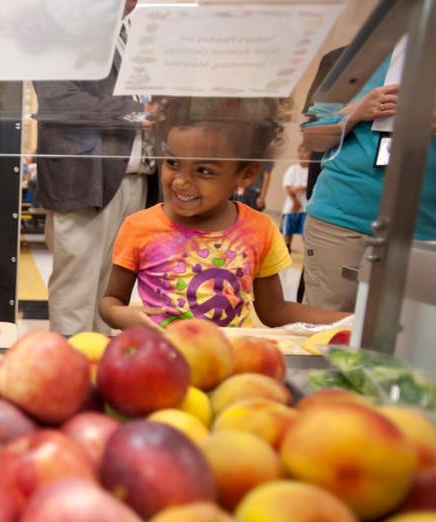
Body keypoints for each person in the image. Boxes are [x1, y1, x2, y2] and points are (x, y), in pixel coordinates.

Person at [99, 97, 351, 331]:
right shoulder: (139, 227)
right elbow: (111, 301)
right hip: (164, 360)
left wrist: (351, 321)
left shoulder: (259, 229)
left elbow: (275, 310)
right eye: (173, 163)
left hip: (232, 361)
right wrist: (121, 315)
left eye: (204, 171)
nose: (180, 183)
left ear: (247, 175)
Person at [31, 0, 154, 335]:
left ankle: (103, 375)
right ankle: (71, 377)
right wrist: (133, 111)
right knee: (76, 293)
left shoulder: (133, 34)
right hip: (85, 180)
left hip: (137, 179)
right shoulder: (61, 28)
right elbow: (58, 100)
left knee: (112, 295)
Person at [301, 48, 436, 312]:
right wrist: (357, 112)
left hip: (425, 234)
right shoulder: (353, 57)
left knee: (411, 339)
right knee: (329, 334)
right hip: (343, 224)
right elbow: (313, 138)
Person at [281, 144, 309, 248]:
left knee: (305, 235)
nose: (302, 154)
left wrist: (303, 188)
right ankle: (286, 255)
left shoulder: (312, 171)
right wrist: (295, 202)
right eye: (300, 151)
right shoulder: (293, 169)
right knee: (287, 233)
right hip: (291, 208)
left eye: (305, 151)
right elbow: (288, 187)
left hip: (306, 208)